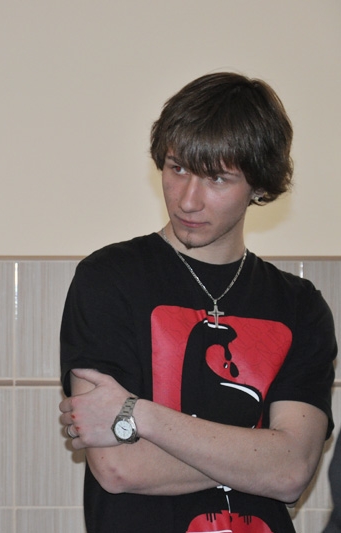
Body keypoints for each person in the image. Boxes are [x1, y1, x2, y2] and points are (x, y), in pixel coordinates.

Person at [58, 72, 337, 532]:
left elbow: (292, 472)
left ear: (259, 186)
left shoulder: (300, 307)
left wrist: (138, 414)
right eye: (177, 169)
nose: (188, 200)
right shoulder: (109, 278)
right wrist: (259, 457)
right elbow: (119, 467)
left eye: (217, 178)